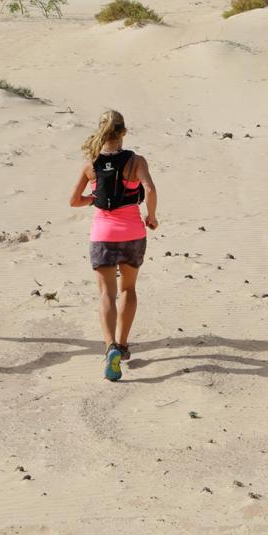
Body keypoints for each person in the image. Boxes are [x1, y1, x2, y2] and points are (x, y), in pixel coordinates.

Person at [69, 110, 158, 381]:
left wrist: (93, 198)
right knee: (128, 289)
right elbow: (150, 190)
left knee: (106, 294)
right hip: (132, 232)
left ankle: (109, 347)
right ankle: (122, 344)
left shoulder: (91, 164)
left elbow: (74, 200)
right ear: (123, 132)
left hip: (102, 234)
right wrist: (151, 217)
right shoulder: (136, 161)